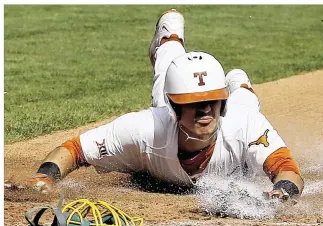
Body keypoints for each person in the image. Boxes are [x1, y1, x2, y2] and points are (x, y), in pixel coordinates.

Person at [27, 9, 304, 200]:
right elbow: (75, 149)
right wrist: (43, 179)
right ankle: (170, 36)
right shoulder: (145, 128)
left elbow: (287, 169)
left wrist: (281, 194)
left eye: (212, 102)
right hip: (166, 113)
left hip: (240, 110)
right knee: (167, 70)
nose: (205, 110)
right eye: (194, 104)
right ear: (176, 108)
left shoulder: (242, 124)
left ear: (222, 102)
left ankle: (239, 83)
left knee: (246, 100)